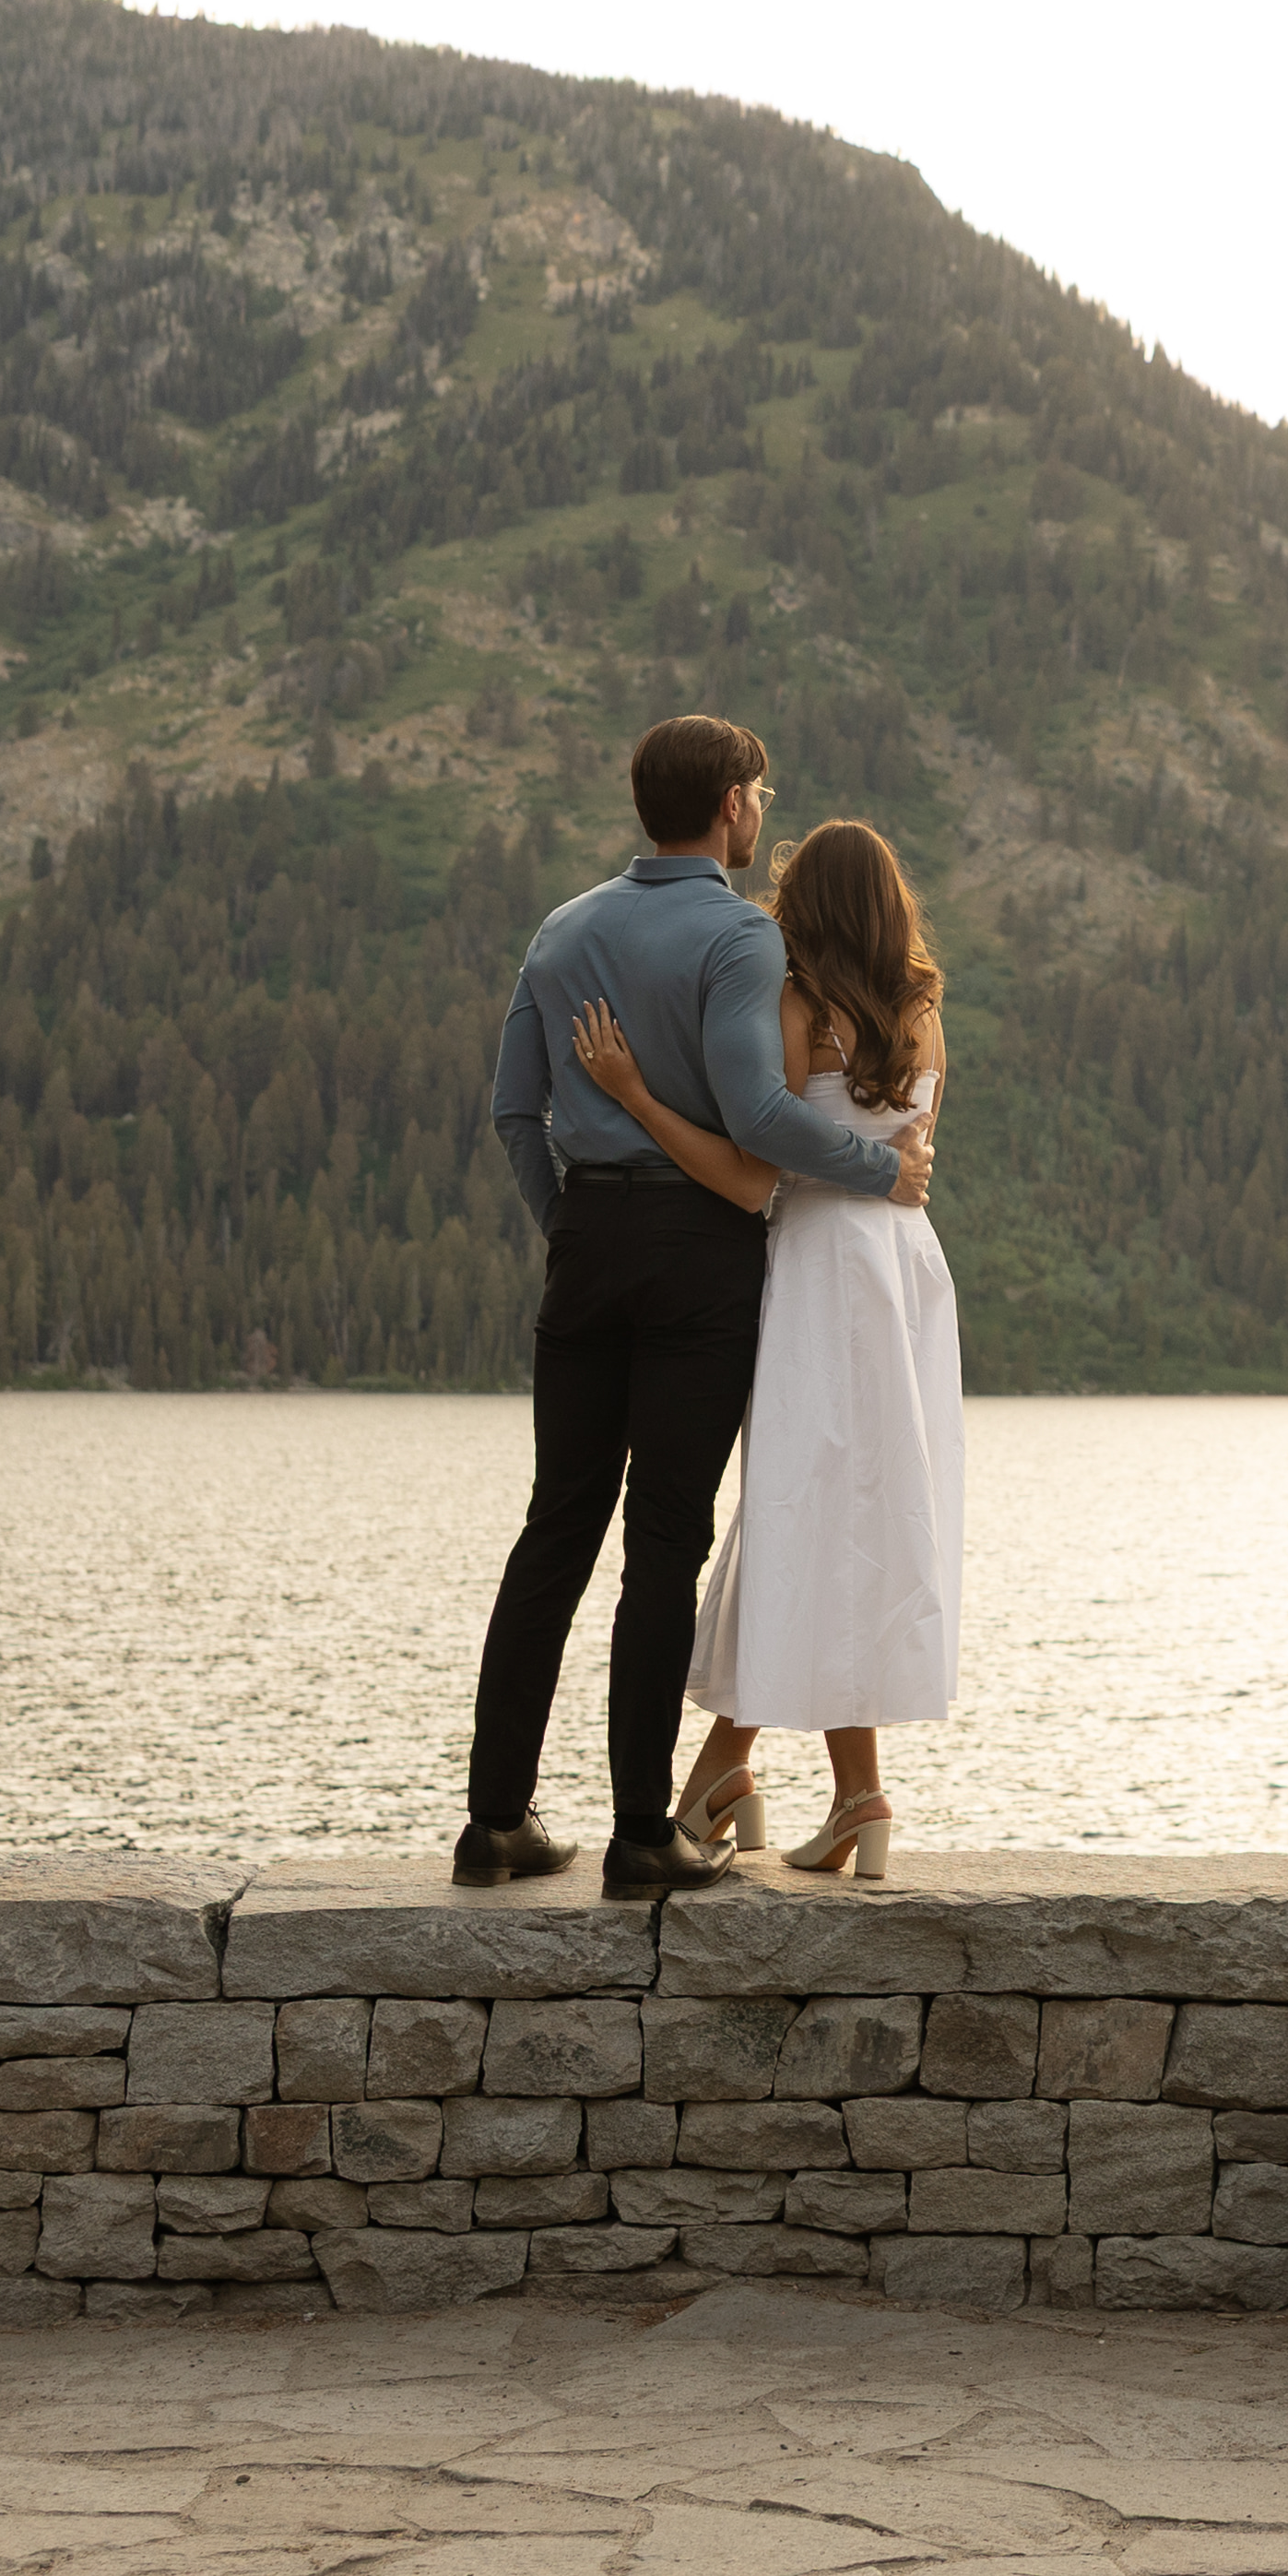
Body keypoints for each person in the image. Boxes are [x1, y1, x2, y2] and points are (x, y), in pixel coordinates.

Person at [456, 717, 933, 1900]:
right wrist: (881, 1170)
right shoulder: (736, 937)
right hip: (699, 1250)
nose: (761, 807)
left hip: (589, 1238)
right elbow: (760, 1119)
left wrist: (566, 1221)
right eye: (757, 791)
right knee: (665, 1539)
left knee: (555, 1524)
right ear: (729, 807)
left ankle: (495, 1823)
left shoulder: (560, 931)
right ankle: (639, 1834)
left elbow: (516, 1113)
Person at [565, 815, 962, 1882]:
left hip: (823, 1266)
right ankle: (836, 1794)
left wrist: (637, 1097)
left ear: (810, 905)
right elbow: (913, 1149)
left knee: (800, 1507)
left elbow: (753, 1173)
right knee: (851, 1513)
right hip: (906, 1269)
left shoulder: (798, 1009)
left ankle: (738, 1775)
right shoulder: (924, 1015)